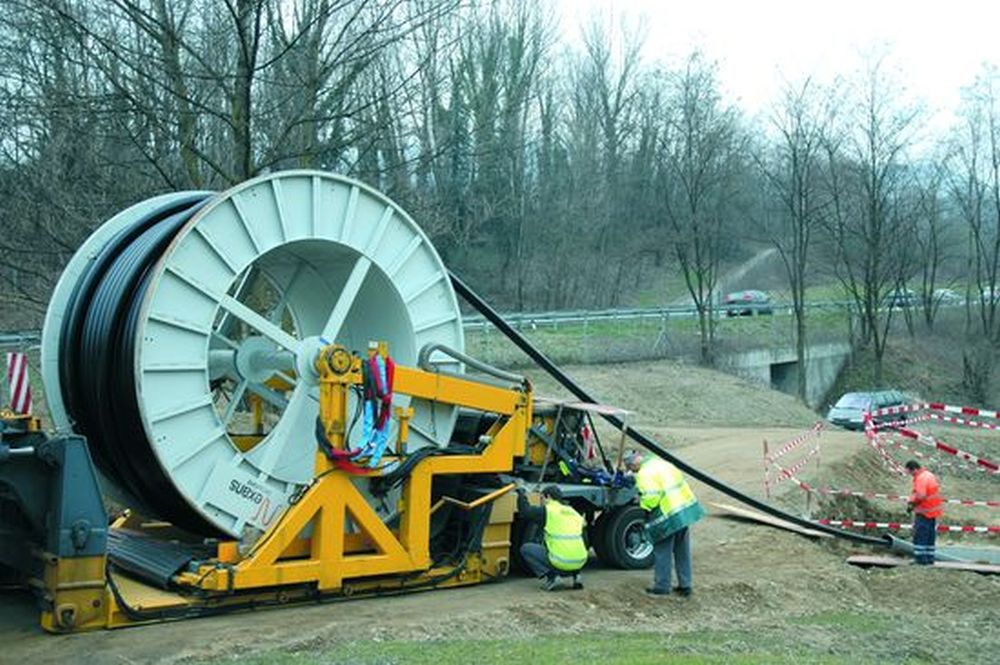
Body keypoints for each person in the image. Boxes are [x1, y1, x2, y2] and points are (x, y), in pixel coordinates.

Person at [624, 449, 704, 597]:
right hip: (682, 510)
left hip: (667, 514)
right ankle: (685, 585)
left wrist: (641, 503)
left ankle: (662, 586)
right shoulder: (661, 464)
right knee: (682, 549)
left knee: (662, 550)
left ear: (634, 464)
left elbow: (652, 498)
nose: (632, 472)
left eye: (630, 468)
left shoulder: (644, 474)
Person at [516, 485, 587, 591]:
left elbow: (525, 512)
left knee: (526, 549)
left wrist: (521, 494)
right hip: (580, 562)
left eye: (542, 498)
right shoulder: (573, 512)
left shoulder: (548, 511)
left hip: (561, 563)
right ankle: (577, 577)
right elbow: (584, 524)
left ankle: (553, 577)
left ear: (548, 496)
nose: (542, 502)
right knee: (573, 544)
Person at [905, 460, 943, 565]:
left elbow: (921, 495)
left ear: (914, 469)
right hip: (933, 511)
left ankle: (920, 559)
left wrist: (912, 503)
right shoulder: (929, 475)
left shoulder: (921, 478)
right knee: (930, 536)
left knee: (920, 535)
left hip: (924, 511)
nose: (911, 475)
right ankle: (929, 558)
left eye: (911, 473)